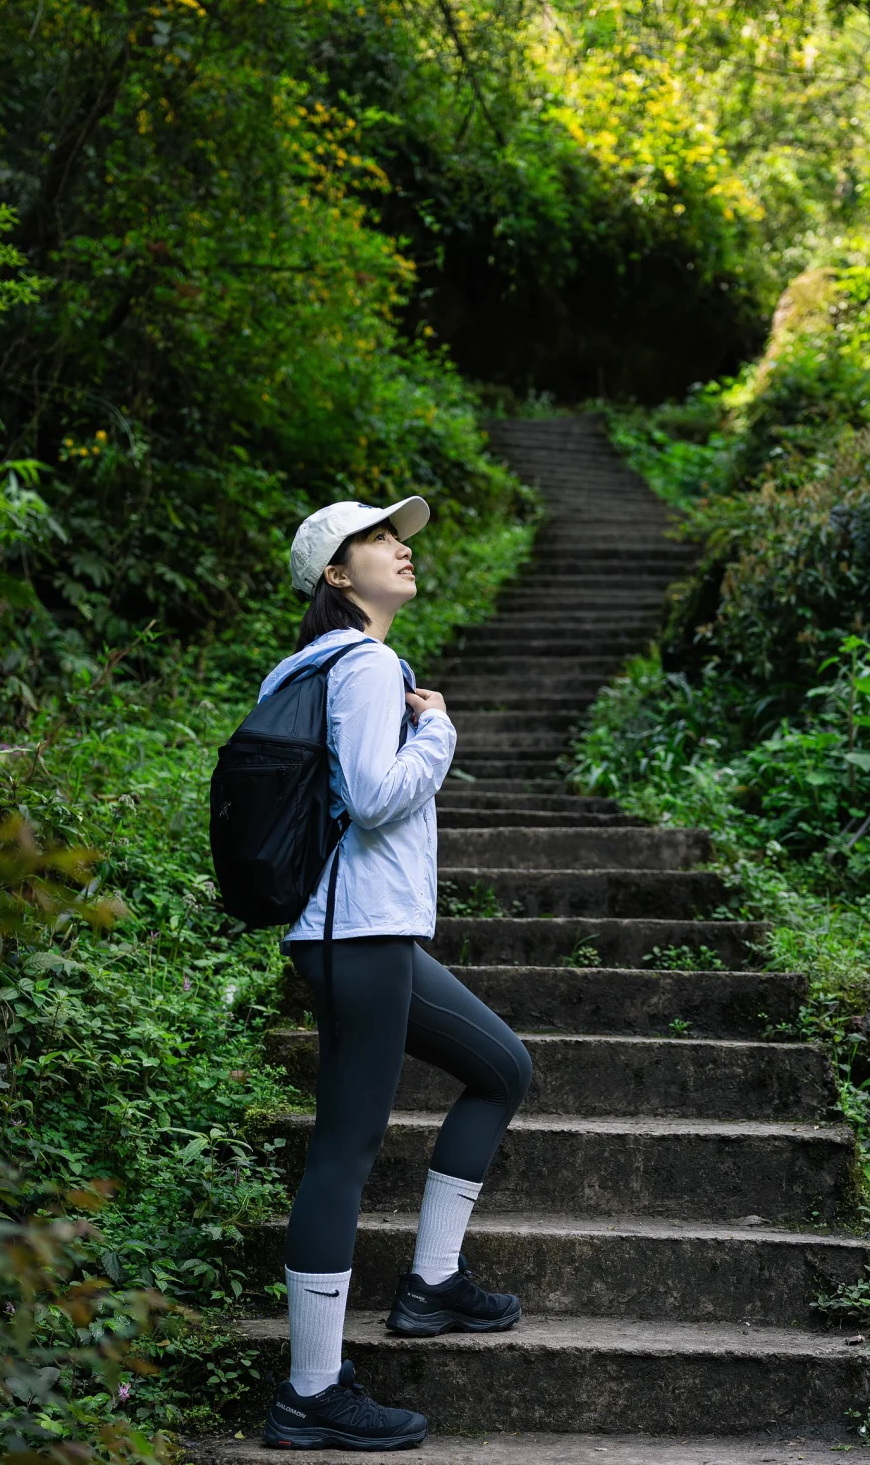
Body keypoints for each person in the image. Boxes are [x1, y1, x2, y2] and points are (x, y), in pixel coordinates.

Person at [261, 495, 532, 1454]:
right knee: (346, 1145)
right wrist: (440, 734)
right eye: (378, 540)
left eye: (398, 537)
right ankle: (311, 1389)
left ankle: (430, 1285)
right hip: (361, 932)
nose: (400, 550)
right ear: (339, 575)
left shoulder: (303, 667)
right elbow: (375, 798)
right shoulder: (366, 664)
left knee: (502, 1067)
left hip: (351, 931)